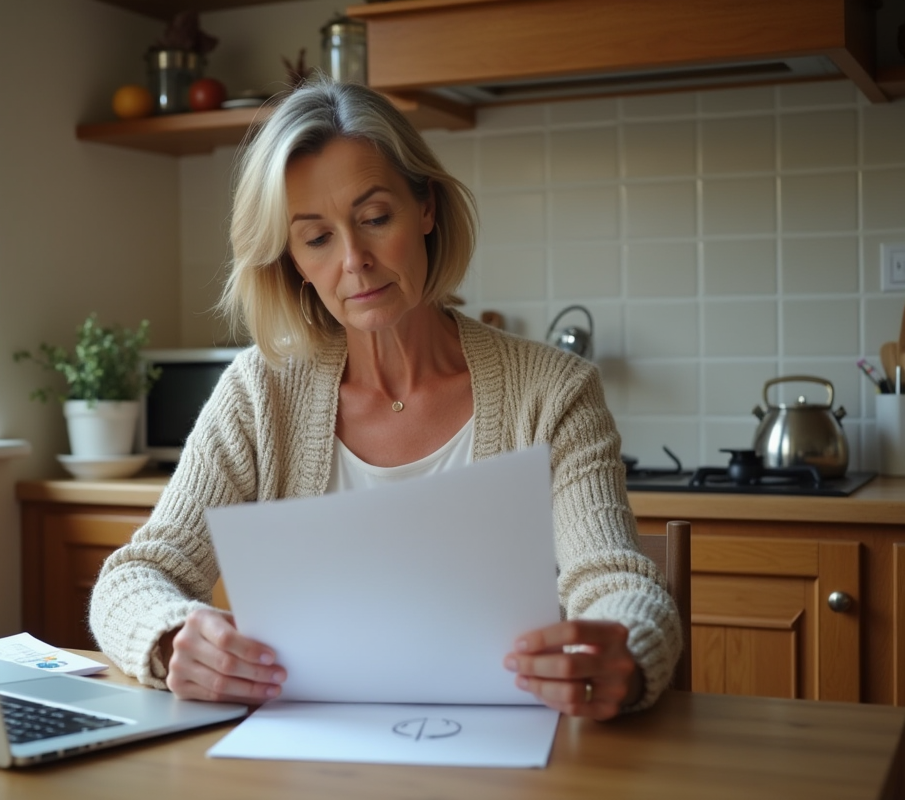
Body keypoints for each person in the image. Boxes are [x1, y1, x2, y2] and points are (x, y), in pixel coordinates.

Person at [89, 78, 681, 721]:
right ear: (292, 260)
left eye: (375, 219)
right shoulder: (258, 393)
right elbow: (135, 576)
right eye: (317, 238)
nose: (355, 261)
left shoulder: (555, 392)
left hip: (512, 753)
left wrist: (627, 645)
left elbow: (614, 581)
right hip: (305, 762)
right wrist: (175, 638)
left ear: (425, 208)